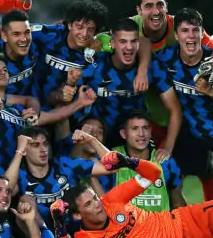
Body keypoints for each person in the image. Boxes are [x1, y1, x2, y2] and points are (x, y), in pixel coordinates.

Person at [48, 150, 213, 238]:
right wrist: (58, 223)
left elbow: (154, 173)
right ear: (77, 215)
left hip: (188, 220)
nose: (97, 204)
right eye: (88, 204)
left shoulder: (112, 200)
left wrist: (129, 162)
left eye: (94, 198)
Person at [156, 8, 213, 238]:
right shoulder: (166, 59)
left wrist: (210, 91)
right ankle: (188, 235)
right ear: (177, 35)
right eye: (185, 31)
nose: (190, 36)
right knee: (171, 179)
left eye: (195, 30)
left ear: (201, 33)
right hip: (193, 131)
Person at [78, 17, 182, 158]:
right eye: (123, 42)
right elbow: (70, 93)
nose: (129, 47)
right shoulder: (96, 64)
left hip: (135, 137)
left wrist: (167, 148)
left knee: (159, 163)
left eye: (133, 41)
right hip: (101, 134)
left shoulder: (152, 67)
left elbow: (175, 109)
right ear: (113, 43)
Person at [5, 127, 111, 230]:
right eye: (35, 145)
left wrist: (92, 140)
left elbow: (112, 166)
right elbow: (6, 190)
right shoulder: (21, 175)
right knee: (26, 200)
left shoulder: (63, 164)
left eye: (45, 144)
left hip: (77, 226)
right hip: (46, 233)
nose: (43, 149)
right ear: (25, 149)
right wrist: (19, 152)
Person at [106, 111, 186, 211]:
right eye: (135, 128)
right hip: (123, 221)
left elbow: (178, 203)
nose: (141, 134)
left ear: (150, 131)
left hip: (161, 221)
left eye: (145, 128)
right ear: (123, 134)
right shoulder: (112, 159)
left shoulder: (166, 163)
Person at [36, 0, 108, 107]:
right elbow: (16, 30)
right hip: (33, 102)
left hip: (70, 109)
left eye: (90, 29)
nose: (84, 34)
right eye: (80, 27)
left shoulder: (98, 53)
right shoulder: (49, 34)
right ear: (70, 25)